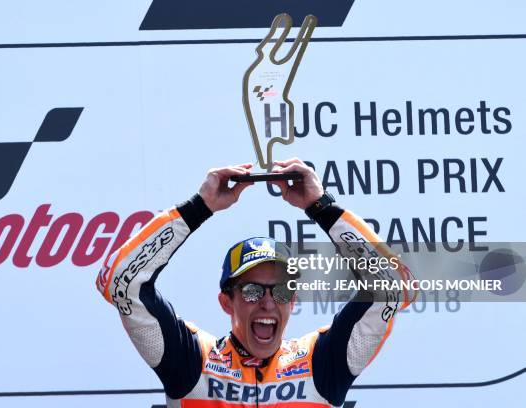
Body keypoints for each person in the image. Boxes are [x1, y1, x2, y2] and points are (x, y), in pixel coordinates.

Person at [96, 158, 413, 407]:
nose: (267, 302)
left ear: (293, 299)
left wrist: (321, 206)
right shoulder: (191, 360)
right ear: (226, 302)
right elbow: (121, 281)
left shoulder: (322, 363)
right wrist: (198, 207)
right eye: (251, 290)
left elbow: (393, 288)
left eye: (280, 290)